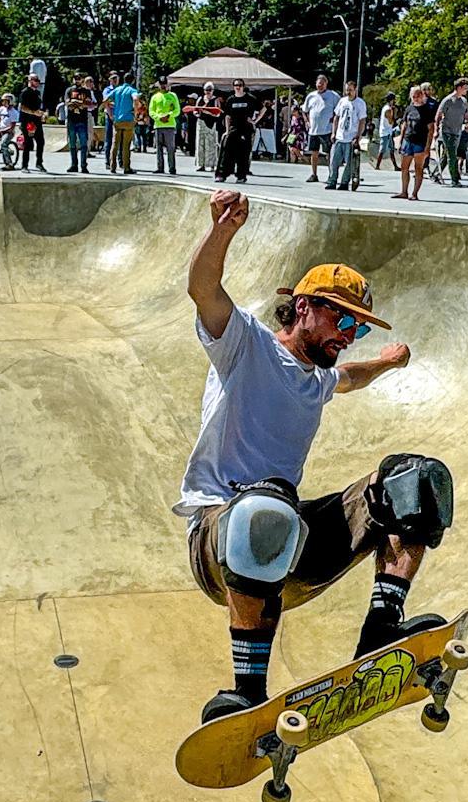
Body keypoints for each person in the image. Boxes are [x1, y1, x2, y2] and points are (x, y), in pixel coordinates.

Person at [178, 189, 449, 725]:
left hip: (289, 550)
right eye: (341, 322)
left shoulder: (319, 379)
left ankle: (381, 629)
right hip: (218, 543)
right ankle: (247, 690)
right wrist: (223, 231)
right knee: (268, 506)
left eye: (358, 328)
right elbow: (202, 288)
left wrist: (388, 362)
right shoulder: (245, 344)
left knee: (415, 481)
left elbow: (349, 378)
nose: (348, 336)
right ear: (303, 306)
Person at [392, 84, 435, 201]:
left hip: (420, 142)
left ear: (422, 95)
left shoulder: (427, 110)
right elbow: (404, 124)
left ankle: (415, 193)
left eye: (417, 95)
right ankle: (404, 191)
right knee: (404, 167)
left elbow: (431, 129)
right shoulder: (409, 109)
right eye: (413, 96)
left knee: (418, 168)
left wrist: (428, 147)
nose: (415, 98)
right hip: (408, 140)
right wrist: (401, 140)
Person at [324, 81, 367, 192]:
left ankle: (344, 182)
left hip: (351, 136)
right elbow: (336, 117)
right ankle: (332, 181)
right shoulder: (342, 101)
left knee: (349, 163)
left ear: (355, 90)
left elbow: (362, 120)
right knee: (333, 161)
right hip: (340, 135)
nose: (348, 92)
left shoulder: (360, 103)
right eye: (347, 90)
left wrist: (358, 135)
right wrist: (333, 132)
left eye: (350, 90)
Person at [435, 79, 468, 188]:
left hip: (457, 131)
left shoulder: (464, 101)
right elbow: (438, 115)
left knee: (448, 154)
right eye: (465, 88)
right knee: (452, 155)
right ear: (459, 88)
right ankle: (455, 179)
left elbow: (465, 115)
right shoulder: (448, 100)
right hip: (447, 131)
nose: (466, 90)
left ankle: (436, 173)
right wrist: (436, 130)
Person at [101, 71, 137, 174]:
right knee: (126, 145)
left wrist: (110, 114)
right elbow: (135, 98)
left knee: (115, 144)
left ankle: (112, 166)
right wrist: (135, 112)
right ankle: (126, 167)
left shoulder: (117, 90)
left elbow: (105, 100)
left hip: (117, 120)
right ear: (133, 80)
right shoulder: (132, 90)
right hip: (128, 119)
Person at [303, 75, 336, 183]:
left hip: (327, 129)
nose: (320, 85)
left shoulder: (333, 95)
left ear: (326, 84)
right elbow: (304, 110)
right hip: (314, 130)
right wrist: (307, 121)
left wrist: (335, 120)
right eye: (318, 84)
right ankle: (314, 174)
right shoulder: (311, 96)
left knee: (329, 153)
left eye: (322, 83)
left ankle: (331, 175)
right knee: (314, 153)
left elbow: (339, 110)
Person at [146, 75, 181, 175]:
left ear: (167, 84)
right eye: (161, 84)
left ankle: (172, 168)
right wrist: (159, 117)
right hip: (158, 125)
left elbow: (177, 110)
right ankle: (160, 167)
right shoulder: (155, 97)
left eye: (164, 84)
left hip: (169, 125)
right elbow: (151, 111)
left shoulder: (172, 96)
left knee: (171, 148)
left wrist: (169, 115)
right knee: (159, 148)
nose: (163, 86)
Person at [65, 75, 97, 173]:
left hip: (82, 120)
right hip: (72, 120)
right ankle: (74, 164)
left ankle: (83, 165)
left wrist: (77, 103)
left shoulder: (86, 91)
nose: (77, 80)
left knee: (84, 144)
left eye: (79, 78)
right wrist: (80, 104)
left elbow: (89, 104)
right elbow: (68, 104)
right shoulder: (69, 90)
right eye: (75, 78)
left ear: (81, 80)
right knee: (72, 144)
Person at [191, 83, 223, 175]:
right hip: (201, 123)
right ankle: (201, 165)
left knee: (211, 144)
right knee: (200, 144)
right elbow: (195, 110)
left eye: (210, 90)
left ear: (213, 90)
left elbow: (218, 113)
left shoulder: (215, 99)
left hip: (211, 123)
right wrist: (197, 114)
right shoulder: (200, 99)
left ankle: (212, 165)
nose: (208, 92)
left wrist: (208, 112)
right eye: (206, 90)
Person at [17, 73, 46, 172]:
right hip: (27, 121)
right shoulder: (25, 92)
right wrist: (33, 112)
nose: (37, 82)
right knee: (28, 143)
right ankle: (24, 165)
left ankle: (39, 163)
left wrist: (42, 114)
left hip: (37, 121)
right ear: (30, 81)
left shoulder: (38, 93)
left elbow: (39, 107)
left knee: (41, 142)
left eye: (38, 80)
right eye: (35, 80)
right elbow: (22, 107)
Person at [374, 92, 399, 171]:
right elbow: (391, 121)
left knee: (391, 149)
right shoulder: (388, 109)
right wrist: (394, 112)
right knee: (382, 150)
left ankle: (395, 166)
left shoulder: (387, 108)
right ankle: (377, 166)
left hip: (388, 132)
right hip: (385, 132)